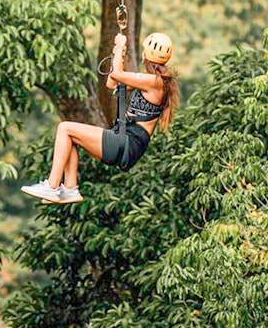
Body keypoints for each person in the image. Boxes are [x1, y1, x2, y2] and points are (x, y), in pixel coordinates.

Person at [21, 31, 180, 204]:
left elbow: (117, 75)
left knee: (65, 128)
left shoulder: (155, 82)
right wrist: (119, 55)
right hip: (125, 143)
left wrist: (119, 46)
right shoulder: (151, 81)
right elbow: (112, 83)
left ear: (145, 54)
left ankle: (51, 187)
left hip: (126, 143)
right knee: (70, 137)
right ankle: (70, 188)